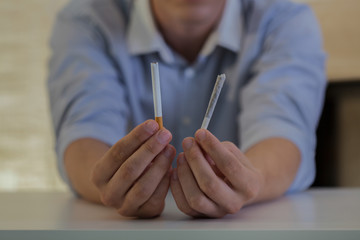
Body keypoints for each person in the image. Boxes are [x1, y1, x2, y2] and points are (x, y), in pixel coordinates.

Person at [48, 0, 326, 218]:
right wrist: (108, 181)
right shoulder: (87, 22)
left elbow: (282, 129)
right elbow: (84, 130)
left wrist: (250, 181)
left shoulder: (283, 21)